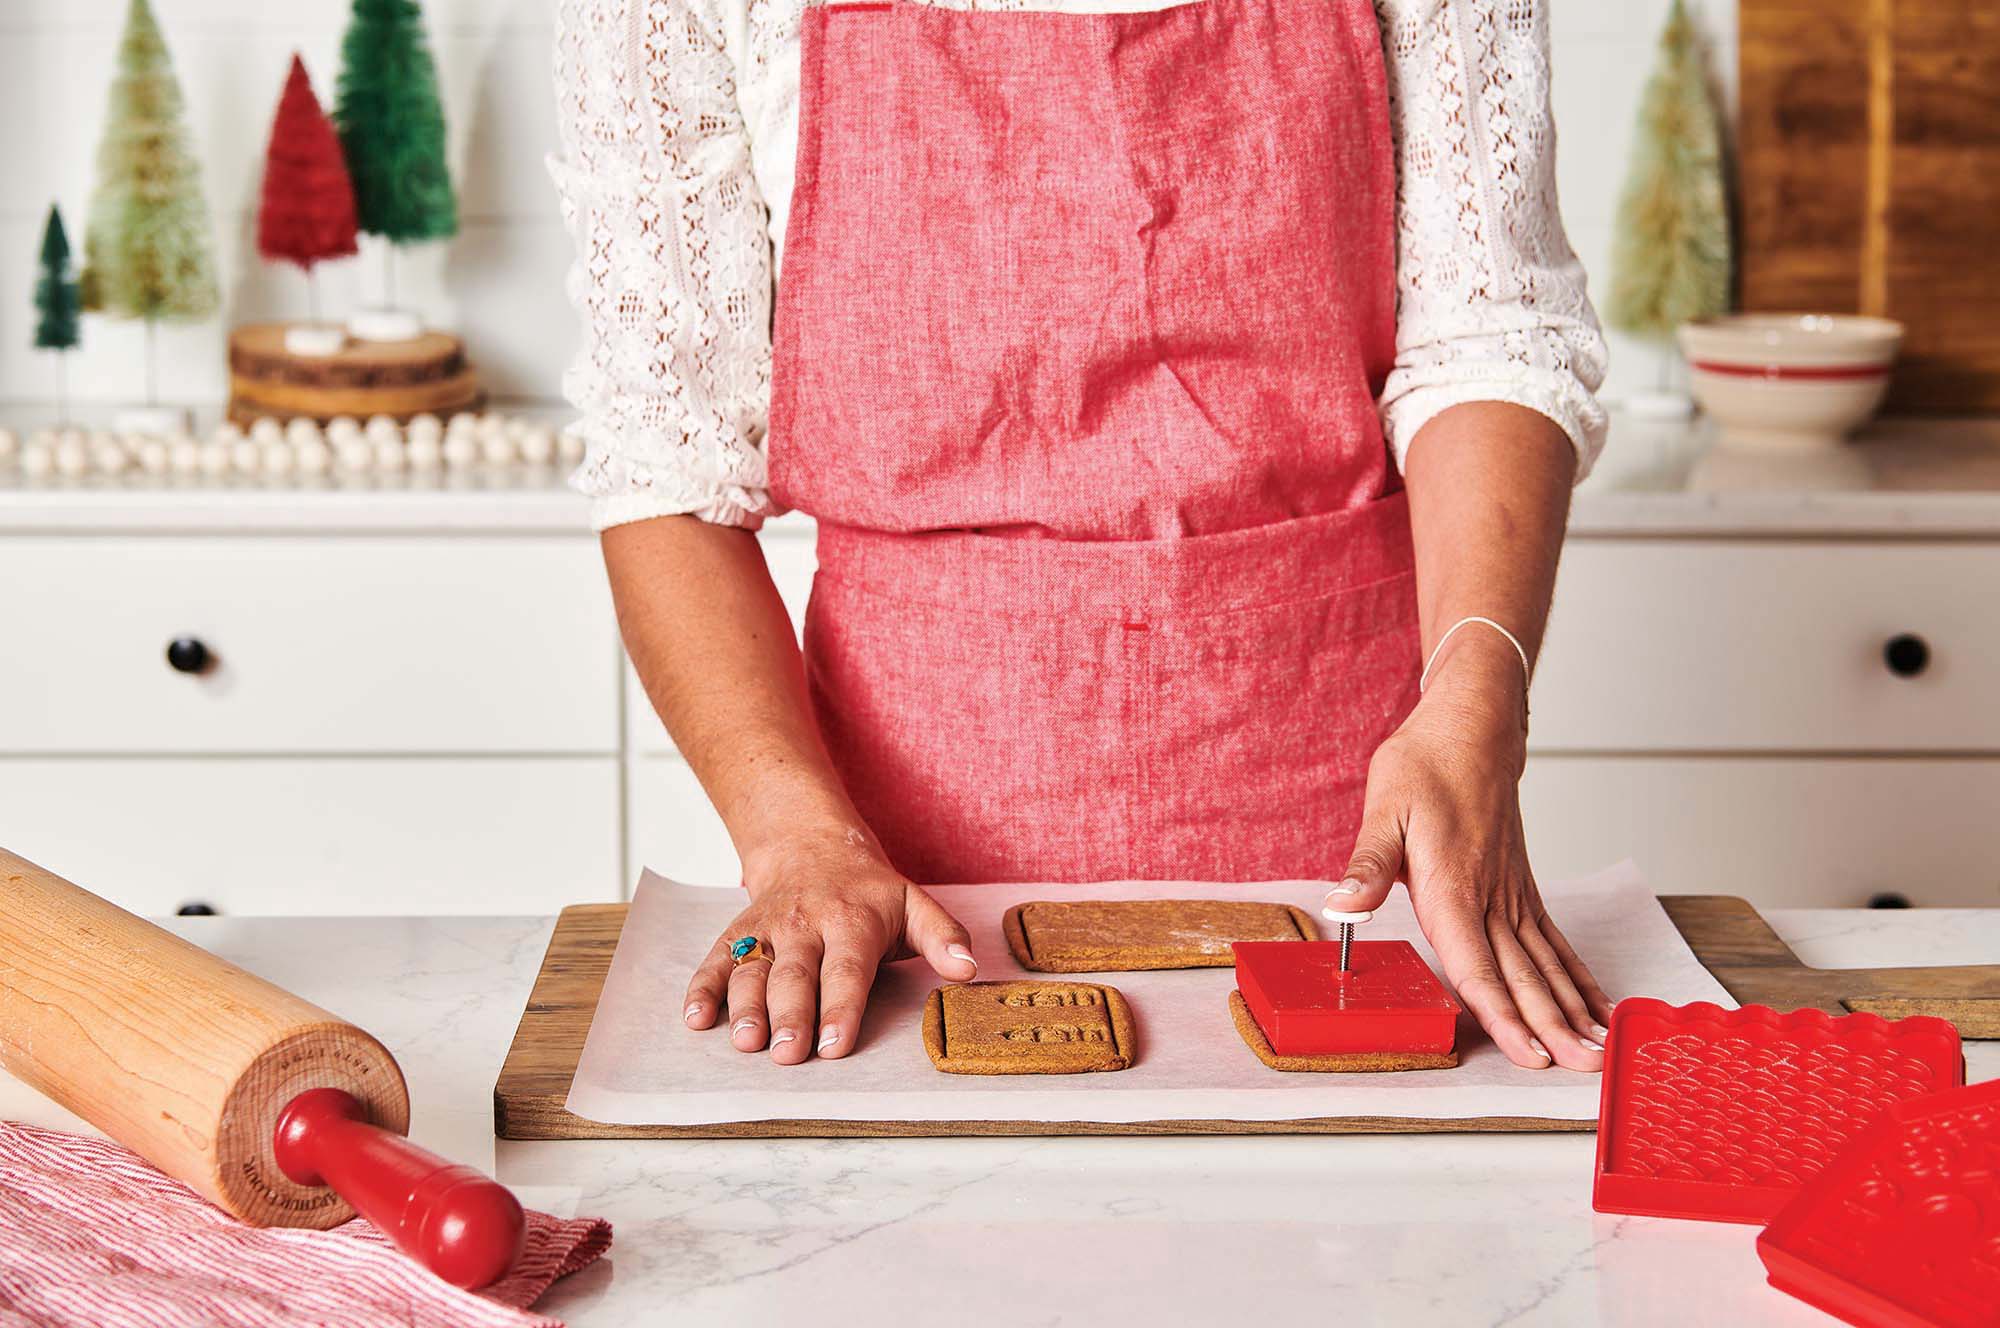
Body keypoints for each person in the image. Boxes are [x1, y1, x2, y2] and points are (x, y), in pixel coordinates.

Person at [551, 0, 1615, 1073]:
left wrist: (1478, 702)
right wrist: (795, 838)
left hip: (1369, 845)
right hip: (884, 873)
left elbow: (1490, 341)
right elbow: (668, 459)